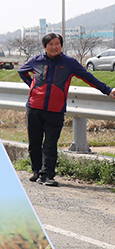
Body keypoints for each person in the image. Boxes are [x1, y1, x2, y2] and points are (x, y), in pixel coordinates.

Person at [18, 32, 115, 186]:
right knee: (34, 143)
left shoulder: (69, 63)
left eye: (57, 44)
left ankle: (47, 175)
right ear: (45, 46)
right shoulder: (36, 60)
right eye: (51, 44)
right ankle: (36, 171)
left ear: (61, 45)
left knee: (50, 144)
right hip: (34, 107)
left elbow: (88, 78)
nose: (54, 47)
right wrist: (32, 86)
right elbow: (21, 71)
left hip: (55, 110)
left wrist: (108, 90)